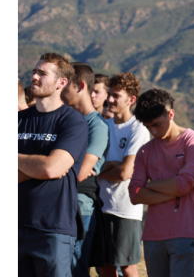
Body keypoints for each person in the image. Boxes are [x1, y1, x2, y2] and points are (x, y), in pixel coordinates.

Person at [18, 53, 89, 277]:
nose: (34, 77)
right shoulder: (18, 120)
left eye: (42, 73)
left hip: (52, 229)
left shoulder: (72, 121)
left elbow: (53, 168)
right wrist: (38, 166)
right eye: (34, 71)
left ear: (61, 83)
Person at [129, 89, 194, 277]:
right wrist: (174, 187)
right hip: (153, 235)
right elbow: (135, 194)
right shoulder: (144, 151)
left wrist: (151, 185)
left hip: (186, 231)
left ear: (170, 114)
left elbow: (186, 184)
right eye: (148, 127)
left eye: (157, 124)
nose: (154, 132)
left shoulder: (193, 140)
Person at [97, 72, 150, 277]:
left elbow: (126, 172)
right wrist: (112, 165)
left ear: (131, 100)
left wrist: (104, 168)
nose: (109, 99)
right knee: (105, 267)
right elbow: (93, 164)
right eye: (109, 94)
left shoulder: (138, 130)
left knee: (127, 267)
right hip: (101, 206)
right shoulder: (103, 126)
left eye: (116, 95)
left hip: (125, 209)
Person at [61, 63, 110, 277]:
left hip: (80, 206)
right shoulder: (66, 120)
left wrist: (53, 165)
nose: (60, 90)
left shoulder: (96, 126)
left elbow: (81, 173)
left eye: (65, 86)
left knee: (76, 266)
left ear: (80, 86)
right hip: (61, 202)